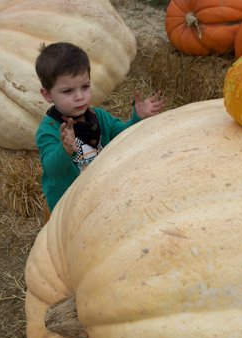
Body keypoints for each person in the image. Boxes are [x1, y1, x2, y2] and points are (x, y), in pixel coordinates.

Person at [35, 42, 165, 212]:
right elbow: (53, 170)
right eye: (68, 91)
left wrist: (137, 119)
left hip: (101, 192)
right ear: (47, 95)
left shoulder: (99, 117)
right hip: (70, 206)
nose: (79, 97)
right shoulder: (50, 129)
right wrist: (65, 149)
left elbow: (121, 138)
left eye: (85, 87)